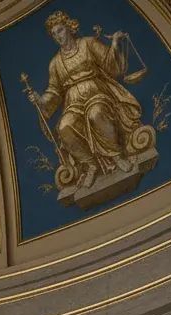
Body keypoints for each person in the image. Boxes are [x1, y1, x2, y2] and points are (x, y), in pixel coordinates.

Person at [24, 11, 142, 191]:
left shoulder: (88, 43)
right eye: (54, 34)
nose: (58, 36)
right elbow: (54, 92)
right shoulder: (55, 63)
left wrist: (115, 44)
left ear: (69, 28)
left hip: (96, 92)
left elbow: (109, 64)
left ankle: (117, 156)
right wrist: (39, 100)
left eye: (60, 30)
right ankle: (90, 165)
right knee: (65, 127)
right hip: (74, 103)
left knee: (96, 114)